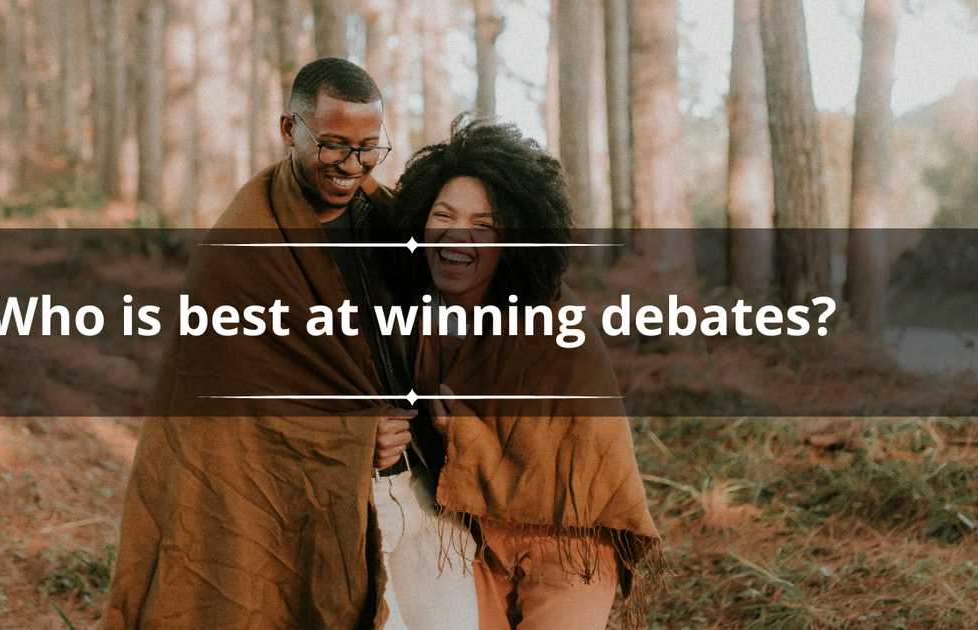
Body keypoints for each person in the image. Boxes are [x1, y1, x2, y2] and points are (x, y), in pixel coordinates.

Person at [103, 58, 432, 629]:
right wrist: (356, 436)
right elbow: (226, 408)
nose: (351, 166)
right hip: (315, 497)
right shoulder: (241, 246)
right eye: (332, 145)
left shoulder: (391, 222)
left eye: (368, 148)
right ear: (289, 130)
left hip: (418, 484)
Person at [387, 118, 663, 630]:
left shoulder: (556, 323)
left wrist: (461, 434)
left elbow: (564, 461)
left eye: (484, 225)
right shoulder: (418, 318)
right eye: (442, 215)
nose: (456, 234)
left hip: (570, 541)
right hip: (474, 533)